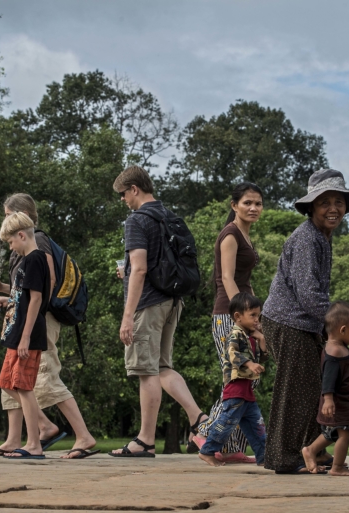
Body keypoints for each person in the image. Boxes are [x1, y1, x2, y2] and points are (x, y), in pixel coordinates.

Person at [261, 169, 349, 474]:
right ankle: (285, 458)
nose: (333, 209)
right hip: (288, 321)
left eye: (339, 202)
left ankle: (313, 452)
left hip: (304, 323)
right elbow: (309, 295)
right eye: (325, 203)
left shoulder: (322, 236)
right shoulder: (307, 239)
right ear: (311, 207)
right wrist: (342, 325)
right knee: (294, 393)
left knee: (313, 390)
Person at [0, 193, 97, 459]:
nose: (5, 220)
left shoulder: (39, 243)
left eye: (8, 215)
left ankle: (81, 435)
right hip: (19, 319)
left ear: (22, 218)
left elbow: (44, 285)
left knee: (43, 378)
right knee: (11, 381)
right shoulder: (22, 250)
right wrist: (6, 294)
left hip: (37, 321)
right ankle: (14, 438)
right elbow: (24, 288)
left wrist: (31, 321)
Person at [109, 165, 207, 457]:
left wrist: (128, 316)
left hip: (148, 304)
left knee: (146, 371)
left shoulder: (137, 220)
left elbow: (140, 269)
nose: (123, 199)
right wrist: (127, 272)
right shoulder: (169, 215)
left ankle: (145, 440)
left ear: (134, 189)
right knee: (163, 367)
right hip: (172, 301)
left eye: (123, 194)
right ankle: (199, 418)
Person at [194, 183, 265, 464]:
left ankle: (231, 446)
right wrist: (244, 320)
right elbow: (226, 277)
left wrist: (255, 316)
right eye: (247, 203)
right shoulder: (230, 235)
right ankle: (205, 435)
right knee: (236, 381)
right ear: (234, 205)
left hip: (241, 314)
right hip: (229, 315)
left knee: (246, 383)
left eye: (258, 203)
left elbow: (244, 279)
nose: (253, 208)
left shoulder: (245, 235)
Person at [0, 212, 51, 460]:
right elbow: (24, 296)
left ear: (21, 235)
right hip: (16, 332)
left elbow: (37, 299)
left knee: (23, 386)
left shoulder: (34, 259)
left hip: (27, 333)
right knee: (8, 383)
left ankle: (34, 443)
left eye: (11, 242)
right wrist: (7, 298)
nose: (11, 247)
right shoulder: (27, 261)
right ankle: (44, 425)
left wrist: (26, 336)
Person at [198, 293, 267, 467]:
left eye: (258, 315)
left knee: (257, 427)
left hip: (247, 392)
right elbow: (232, 354)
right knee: (226, 424)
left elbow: (261, 358)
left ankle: (264, 456)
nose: (257, 320)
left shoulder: (250, 337)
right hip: (236, 390)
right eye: (252, 315)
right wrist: (250, 364)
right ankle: (207, 451)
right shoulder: (235, 335)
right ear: (238, 316)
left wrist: (262, 339)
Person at [302, 301, 349, 476]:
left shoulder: (337, 346)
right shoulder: (335, 352)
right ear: (343, 330)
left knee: (331, 433)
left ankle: (310, 450)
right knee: (345, 434)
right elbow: (328, 379)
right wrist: (328, 399)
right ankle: (338, 467)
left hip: (344, 402)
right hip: (338, 402)